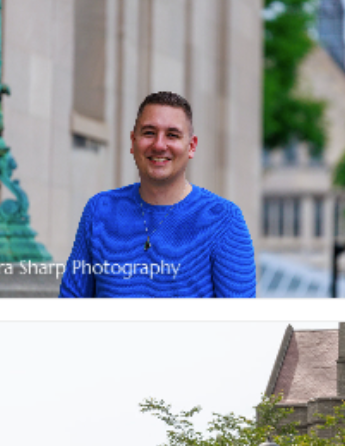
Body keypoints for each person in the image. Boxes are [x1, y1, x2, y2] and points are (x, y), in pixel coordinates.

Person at [59, 91, 256, 298]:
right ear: (133, 141)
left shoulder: (224, 220)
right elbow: (70, 310)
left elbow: (240, 324)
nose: (159, 145)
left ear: (192, 146)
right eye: (149, 133)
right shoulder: (99, 210)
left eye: (172, 135)